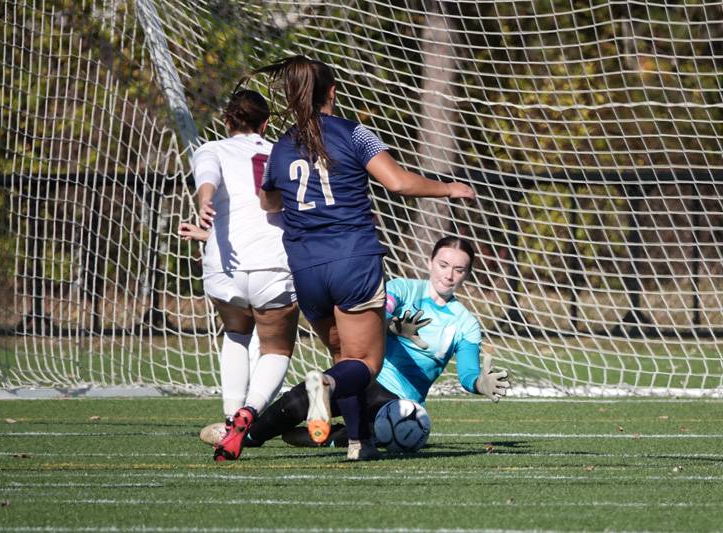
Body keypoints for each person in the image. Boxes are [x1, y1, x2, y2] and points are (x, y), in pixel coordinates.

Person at [254, 56, 476, 460]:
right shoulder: (355, 133)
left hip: (305, 267)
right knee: (364, 364)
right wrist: (449, 188)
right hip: (352, 259)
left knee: (343, 357)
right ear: (332, 93)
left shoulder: (282, 145)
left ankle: (359, 442)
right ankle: (326, 388)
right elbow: (397, 182)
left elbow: (268, 200)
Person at [202, 236, 511, 451]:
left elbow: (468, 373)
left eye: (459, 269)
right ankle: (246, 437)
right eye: (444, 265)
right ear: (431, 262)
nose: (449, 275)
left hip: (398, 401)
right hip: (366, 373)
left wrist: (481, 383)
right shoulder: (403, 289)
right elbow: (378, 314)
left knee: (395, 430)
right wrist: (393, 327)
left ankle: (326, 434)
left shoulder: (466, 323)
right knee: (300, 400)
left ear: (467, 274)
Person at [178, 89, 300, 462]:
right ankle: (250, 413)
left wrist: (204, 202)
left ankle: (230, 418)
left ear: (227, 121)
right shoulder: (284, 149)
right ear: (265, 123)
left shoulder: (211, 148)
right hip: (273, 262)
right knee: (276, 347)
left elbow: (208, 178)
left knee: (235, 333)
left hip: (224, 264)